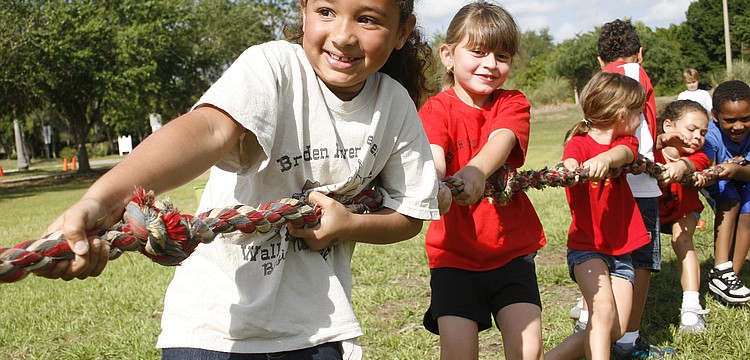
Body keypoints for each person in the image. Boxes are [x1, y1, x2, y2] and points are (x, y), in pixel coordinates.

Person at [34, 0, 440, 359]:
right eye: (326, 12)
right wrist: (104, 199)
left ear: (403, 31)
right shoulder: (274, 68)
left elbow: (409, 214)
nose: (343, 35)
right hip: (211, 331)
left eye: (368, 19)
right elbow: (209, 130)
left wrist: (350, 225)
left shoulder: (395, 105)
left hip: (316, 331)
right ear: (303, 9)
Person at [418, 2, 546, 359]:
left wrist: (474, 172)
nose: (490, 64)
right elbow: (433, 156)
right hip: (453, 259)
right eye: (477, 52)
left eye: (502, 55)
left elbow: (502, 140)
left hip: (512, 254)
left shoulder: (513, 102)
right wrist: (435, 186)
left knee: (528, 352)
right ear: (447, 54)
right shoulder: (435, 109)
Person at [545, 71, 648, 360]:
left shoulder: (625, 143)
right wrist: (569, 168)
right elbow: (570, 159)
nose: (640, 121)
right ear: (620, 113)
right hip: (587, 248)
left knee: (615, 327)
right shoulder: (578, 142)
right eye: (638, 114)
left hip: (622, 251)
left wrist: (603, 160)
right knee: (602, 313)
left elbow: (624, 155)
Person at [654, 100, 711, 333]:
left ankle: (691, 306)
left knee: (683, 239)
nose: (697, 136)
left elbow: (696, 163)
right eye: (691, 129)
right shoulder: (651, 151)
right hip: (653, 212)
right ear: (668, 126)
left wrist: (682, 166)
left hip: (684, 209)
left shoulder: (700, 156)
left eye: (703, 132)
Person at [700, 80, 750, 305]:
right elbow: (707, 166)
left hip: (742, 175)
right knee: (730, 201)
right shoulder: (710, 136)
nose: (738, 126)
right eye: (730, 120)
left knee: (748, 215)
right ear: (715, 116)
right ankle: (721, 268)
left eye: (746, 119)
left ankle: (731, 279)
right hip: (715, 180)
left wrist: (736, 169)